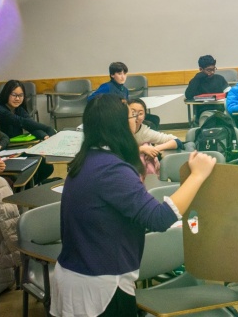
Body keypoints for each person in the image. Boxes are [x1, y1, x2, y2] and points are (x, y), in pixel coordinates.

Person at [51, 95, 217, 317]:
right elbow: (159, 218)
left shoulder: (90, 158)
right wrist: (197, 175)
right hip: (100, 284)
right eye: (131, 115)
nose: (136, 119)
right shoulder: (111, 169)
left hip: (81, 275)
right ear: (118, 124)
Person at [128, 98, 184, 176]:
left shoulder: (145, 132)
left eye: (140, 113)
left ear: (144, 116)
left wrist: (155, 149)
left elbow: (176, 141)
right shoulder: (119, 130)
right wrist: (141, 149)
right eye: (133, 113)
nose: (136, 117)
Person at [184, 55, 229, 121]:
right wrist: (197, 79)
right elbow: (188, 95)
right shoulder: (196, 81)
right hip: (203, 113)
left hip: (220, 112)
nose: (212, 72)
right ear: (201, 69)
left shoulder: (220, 78)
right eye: (209, 70)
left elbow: (229, 92)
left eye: (213, 69)